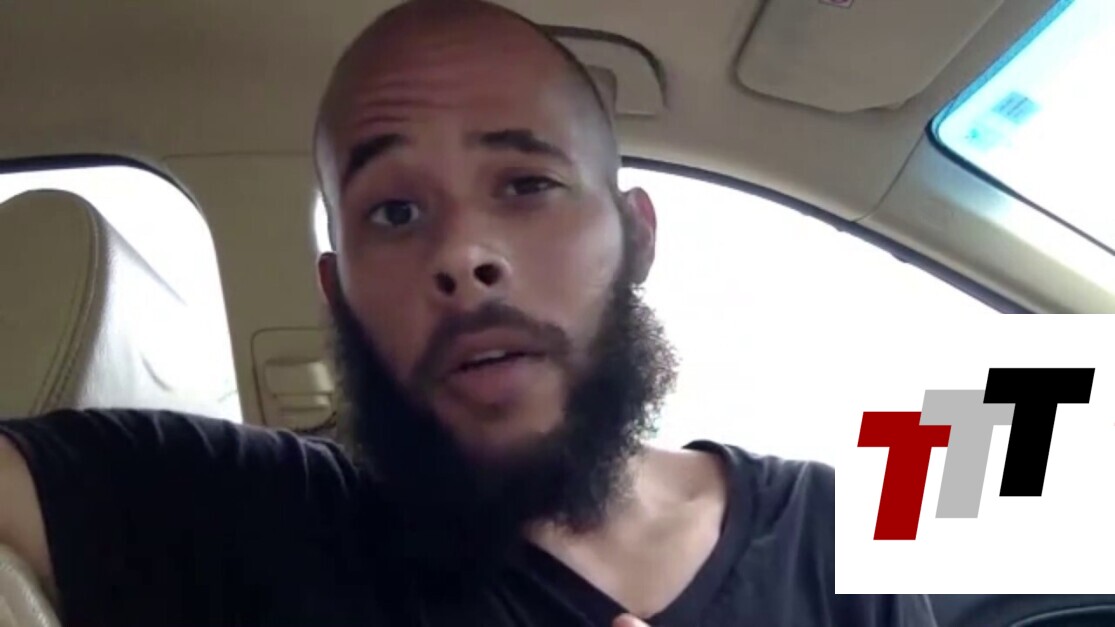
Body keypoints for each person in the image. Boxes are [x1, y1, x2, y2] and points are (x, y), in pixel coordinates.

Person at [0, 1, 938, 625]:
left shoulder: (840, 523)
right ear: (338, 294)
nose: (462, 253)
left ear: (635, 237)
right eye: (393, 212)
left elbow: (1022, 451)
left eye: (525, 183)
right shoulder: (253, 521)